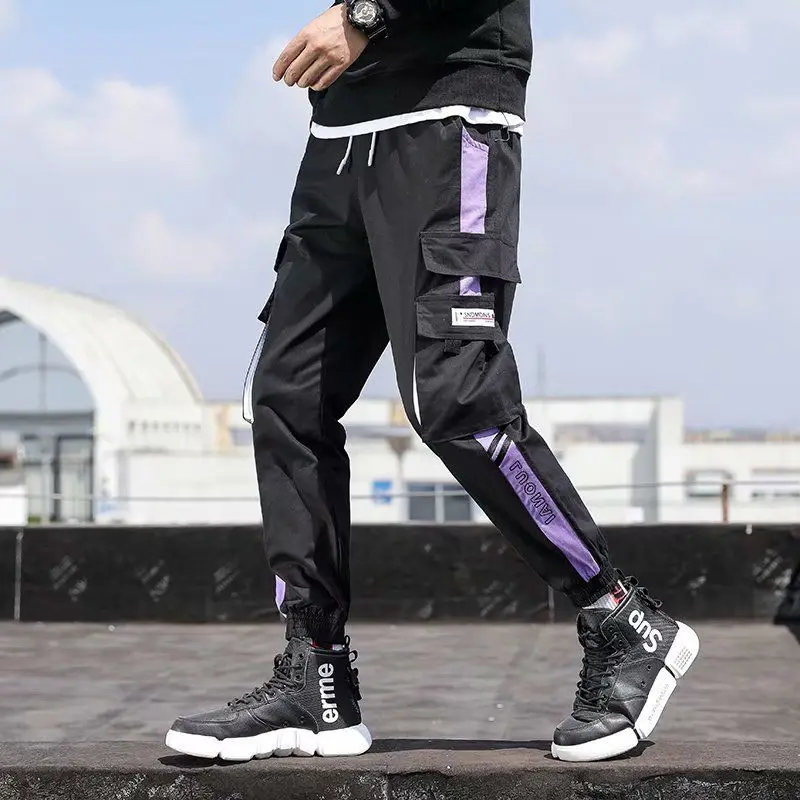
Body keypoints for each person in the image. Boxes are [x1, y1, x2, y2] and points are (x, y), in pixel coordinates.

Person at [165, 0, 699, 764]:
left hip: (450, 115)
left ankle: (620, 616)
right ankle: (316, 678)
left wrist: (367, 13)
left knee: (454, 396)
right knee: (285, 395)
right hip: (342, 132)